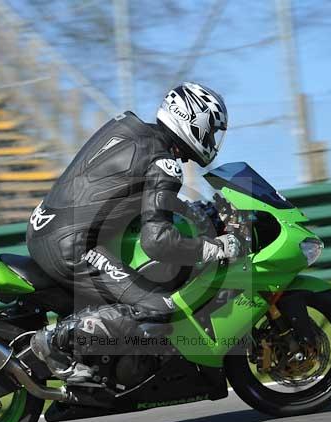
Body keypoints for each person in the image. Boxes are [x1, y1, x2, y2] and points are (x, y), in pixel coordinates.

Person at [26, 82, 239, 383]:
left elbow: (128, 194)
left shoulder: (129, 127)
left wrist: (196, 213)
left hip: (44, 228)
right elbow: (157, 241)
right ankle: (52, 341)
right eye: (212, 131)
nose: (213, 140)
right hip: (72, 247)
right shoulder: (164, 163)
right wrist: (211, 247)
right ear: (195, 121)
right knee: (158, 306)